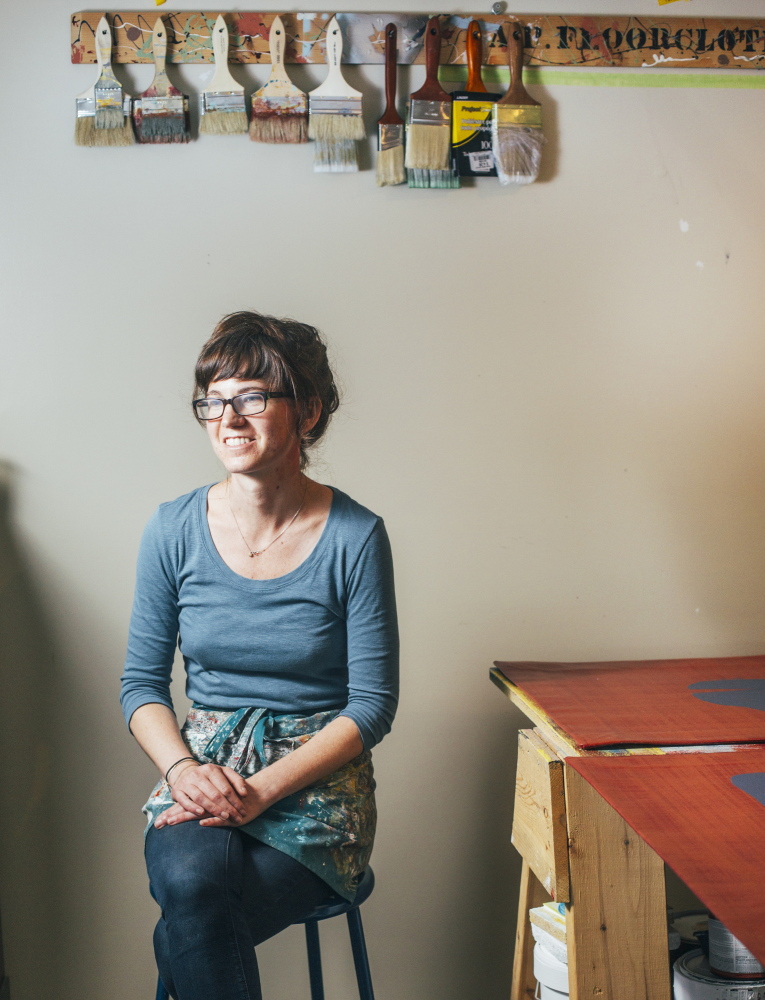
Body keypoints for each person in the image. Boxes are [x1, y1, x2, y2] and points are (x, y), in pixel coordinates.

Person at [120, 311, 399, 1000]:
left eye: (251, 397)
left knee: (191, 919)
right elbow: (140, 687)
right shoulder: (172, 528)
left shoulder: (355, 537)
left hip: (315, 786)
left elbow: (371, 705)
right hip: (204, 767)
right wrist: (185, 769)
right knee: (192, 884)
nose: (227, 418)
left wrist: (262, 792)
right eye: (212, 400)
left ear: (305, 411)